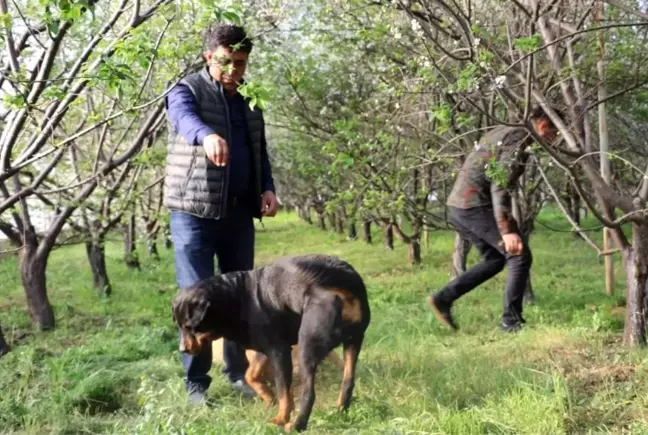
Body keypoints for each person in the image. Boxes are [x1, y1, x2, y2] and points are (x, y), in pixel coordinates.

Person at [163, 24, 279, 406]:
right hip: (193, 212)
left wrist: (267, 188)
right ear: (208, 57)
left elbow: (258, 150)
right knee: (195, 299)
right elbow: (183, 119)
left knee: (240, 298)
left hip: (238, 213)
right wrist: (206, 135)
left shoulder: (250, 98)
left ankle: (236, 374)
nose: (233, 71)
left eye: (241, 63)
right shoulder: (186, 90)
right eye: (225, 62)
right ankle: (196, 384)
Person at [428, 107, 560, 333]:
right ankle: (511, 323)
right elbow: (500, 185)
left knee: (496, 259)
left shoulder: (508, 131)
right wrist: (507, 229)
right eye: (552, 129)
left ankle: (443, 298)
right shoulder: (517, 139)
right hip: (473, 206)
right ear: (540, 122)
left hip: (461, 206)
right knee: (518, 255)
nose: (554, 137)